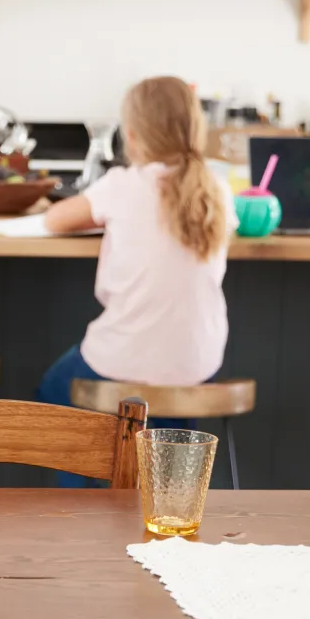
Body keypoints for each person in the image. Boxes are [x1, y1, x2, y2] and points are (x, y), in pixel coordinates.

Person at [38, 76, 238, 486]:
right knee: (160, 419)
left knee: (56, 388)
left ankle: (79, 512)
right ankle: (164, 498)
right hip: (195, 371)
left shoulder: (122, 185)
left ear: (131, 134)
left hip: (119, 365)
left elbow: (54, 219)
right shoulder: (217, 190)